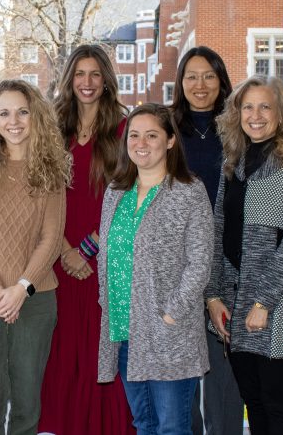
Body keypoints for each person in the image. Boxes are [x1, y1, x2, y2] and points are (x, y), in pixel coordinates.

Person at [205, 76, 283, 435]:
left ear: (281, 112)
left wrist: (263, 302)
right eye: (247, 107)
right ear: (237, 113)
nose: (255, 115)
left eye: (265, 106)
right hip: (235, 301)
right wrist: (213, 296)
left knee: (278, 403)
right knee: (253, 402)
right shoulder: (234, 161)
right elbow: (219, 232)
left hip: (281, 299)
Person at [0, 79, 70, 435]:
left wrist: (21, 288)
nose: (14, 120)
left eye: (22, 111)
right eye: (4, 113)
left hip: (35, 298)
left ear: (35, 115)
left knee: (26, 404)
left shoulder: (52, 168)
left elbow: (51, 239)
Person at [97, 104, 213, 435]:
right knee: (143, 425)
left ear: (171, 141)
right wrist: (107, 306)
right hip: (124, 331)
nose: (141, 143)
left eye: (152, 135)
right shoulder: (115, 192)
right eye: (134, 135)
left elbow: (200, 262)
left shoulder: (189, 192)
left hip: (168, 333)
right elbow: (107, 258)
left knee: (172, 428)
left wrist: (171, 316)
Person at [38, 44, 135, 435]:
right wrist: (64, 250)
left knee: (102, 353)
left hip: (105, 261)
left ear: (107, 80)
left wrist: (89, 249)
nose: (87, 82)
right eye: (80, 74)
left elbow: (131, 197)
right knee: (63, 354)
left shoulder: (124, 129)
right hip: (58, 260)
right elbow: (40, 193)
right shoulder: (51, 128)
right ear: (69, 79)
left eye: (95, 74)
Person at [171, 46, 243, 435]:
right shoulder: (166, 129)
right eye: (191, 76)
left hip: (227, 264)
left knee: (223, 373)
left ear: (221, 80)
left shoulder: (238, 127)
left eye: (208, 76)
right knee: (182, 373)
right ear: (181, 82)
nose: (200, 85)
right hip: (178, 263)